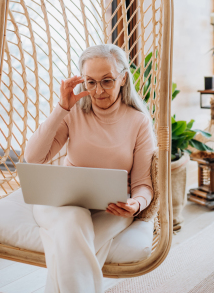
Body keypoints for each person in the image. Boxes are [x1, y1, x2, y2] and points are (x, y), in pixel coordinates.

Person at [24, 44, 156, 293]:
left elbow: (142, 184)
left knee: (67, 247)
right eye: (90, 82)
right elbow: (33, 158)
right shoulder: (73, 112)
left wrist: (136, 204)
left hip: (111, 210)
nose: (98, 91)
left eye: (107, 81)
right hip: (60, 203)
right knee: (74, 218)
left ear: (123, 78)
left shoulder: (138, 121)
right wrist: (62, 107)